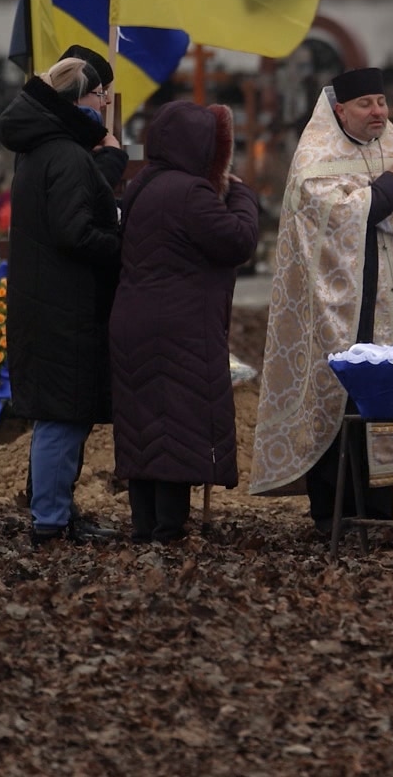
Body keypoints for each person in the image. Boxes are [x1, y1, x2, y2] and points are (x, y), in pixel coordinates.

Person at [249, 67, 393, 533]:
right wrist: (389, 185)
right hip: (340, 310)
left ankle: (379, 514)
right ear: (340, 109)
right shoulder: (316, 155)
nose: (378, 112)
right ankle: (332, 515)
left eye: (382, 103)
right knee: (340, 404)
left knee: (386, 402)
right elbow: (339, 216)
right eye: (366, 104)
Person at [109, 101, 260, 543]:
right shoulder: (189, 193)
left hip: (134, 320)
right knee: (176, 424)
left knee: (143, 427)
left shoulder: (143, 184)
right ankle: (169, 527)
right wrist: (243, 195)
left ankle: (145, 525)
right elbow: (238, 240)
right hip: (178, 326)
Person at [0, 47, 126, 546]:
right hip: (63, 307)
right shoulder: (67, 155)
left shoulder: (40, 148)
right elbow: (75, 233)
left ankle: (55, 511)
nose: (104, 103)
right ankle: (50, 522)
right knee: (62, 418)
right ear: (80, 99)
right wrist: (121, 244)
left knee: (62, 417)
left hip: (48, 300)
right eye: (100, 95)